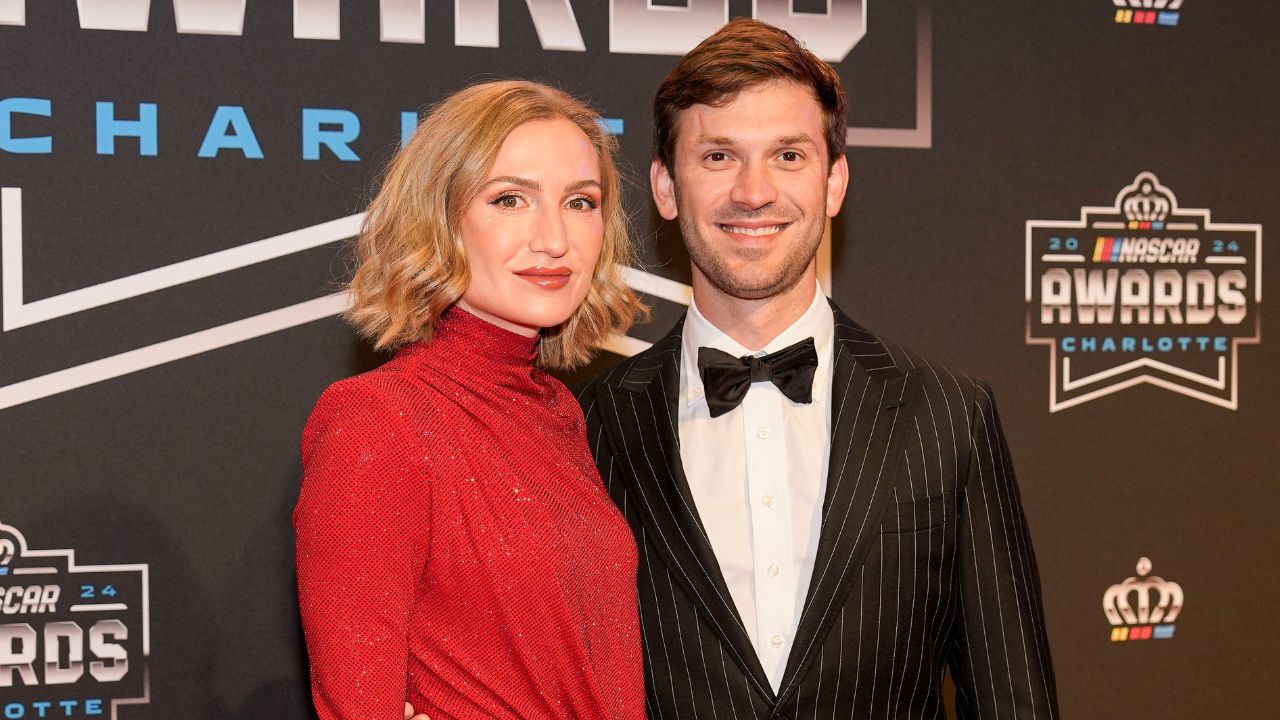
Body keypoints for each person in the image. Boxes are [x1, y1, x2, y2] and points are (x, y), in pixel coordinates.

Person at [573, 19, 1059, 717]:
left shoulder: (948, 415)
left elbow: (1014, 698)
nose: (753, 191)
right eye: (718, 157)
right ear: (666, 187)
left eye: (789, 157)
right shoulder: (588, 425)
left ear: (834, 183)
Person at [294, 80, 646, 720]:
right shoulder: (378, 421)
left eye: (580, 202)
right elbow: (359, 707)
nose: (554, 239)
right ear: (440, 218)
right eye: (510, 199)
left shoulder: (557, 411)